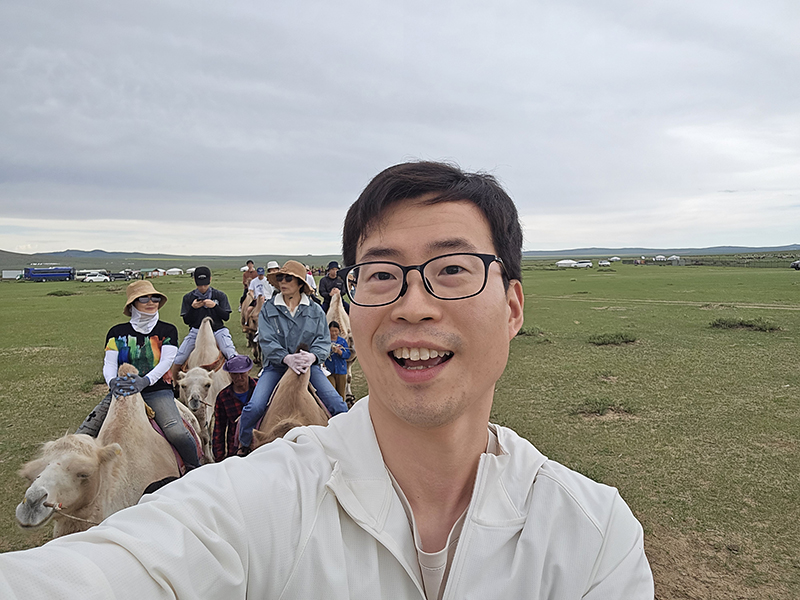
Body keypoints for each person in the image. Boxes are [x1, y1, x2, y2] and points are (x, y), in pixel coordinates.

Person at [0, 161, 653, 599]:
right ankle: (233, 444)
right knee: (248, 408)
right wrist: (275, 358)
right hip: (255, 367)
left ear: (512, 307)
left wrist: (311, 357)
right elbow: (115, 572)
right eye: (383, 274)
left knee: (335, 401)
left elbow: (310, 338)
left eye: (452, 269)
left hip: (297, 364)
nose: (414, 305)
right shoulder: (251, 506)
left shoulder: (595, 538)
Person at [76, 280, 201, 471]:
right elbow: (109, 363)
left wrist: (145, 381)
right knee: (82, 433)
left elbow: (167, 361)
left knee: (176, 432)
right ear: (132, 304)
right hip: (123, 390)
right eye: (144, 298)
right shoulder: (117, 332)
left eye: (155, 298)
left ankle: (194, 469)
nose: (151, 302)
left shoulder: (167, 330)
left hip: (157, 391)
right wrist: (112, 383)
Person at [236, 260, 348, 455]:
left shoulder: (315, 310)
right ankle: (245, 445)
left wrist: (313, 356)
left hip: (308, 366)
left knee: (338, 405)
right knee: (254, 407)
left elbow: (322, 340)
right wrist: (285, 358)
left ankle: (347, 445)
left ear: (300, 284)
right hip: (276, 366)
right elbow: (266, 340)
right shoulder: (269, 308)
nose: (283, 281)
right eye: (280, 277)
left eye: (288, 278)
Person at [170, 266, 236, 380]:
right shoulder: (188, 298)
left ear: (210, 279)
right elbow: (186, 321)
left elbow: (226, 317)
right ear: (195, 281)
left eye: (205, 284)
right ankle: (174, 384)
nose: (203, 288)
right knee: (179, 357)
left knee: (230, 353)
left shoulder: (219, 295)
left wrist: (215, 306)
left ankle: (237, 382)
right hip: (196, 331)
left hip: (217, 330)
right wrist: (193, 308)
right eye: (200, 285)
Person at [212, 355, 257, 462]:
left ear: (249, 371)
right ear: (229, 374)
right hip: (236, 449)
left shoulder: (260, 389)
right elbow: (219, 428)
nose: (239, 378)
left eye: (242, 373)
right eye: (235, 374)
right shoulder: (223, 397)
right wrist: (219, 457)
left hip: (259, 444)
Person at [324, 320, 350, 400]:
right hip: (329, 371)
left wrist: (339, 352)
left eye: (335, 331)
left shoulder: (342, 341)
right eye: (331, 331)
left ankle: (342, 407)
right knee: (332, 393)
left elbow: (348, 354)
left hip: (340, 370)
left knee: (341, 394)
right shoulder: (325, 341)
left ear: (339, 330)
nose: (334, 333)